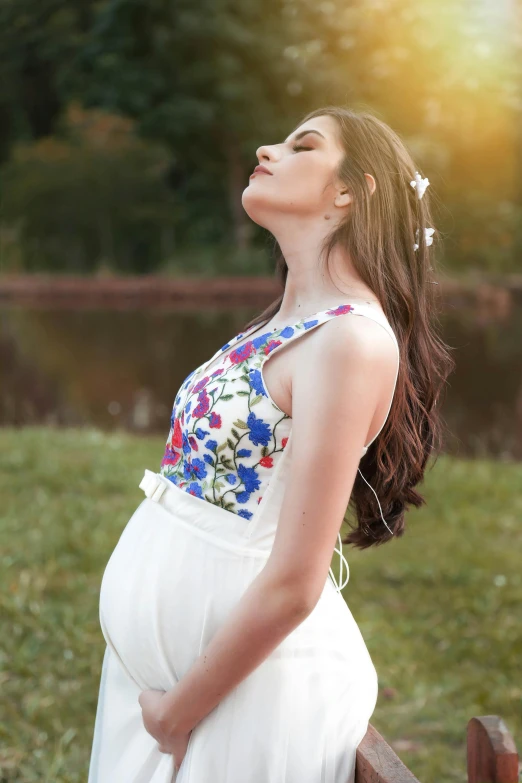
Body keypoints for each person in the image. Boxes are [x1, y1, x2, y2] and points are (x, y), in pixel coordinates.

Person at [87, 106, 454, 782]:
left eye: (302, 145)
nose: (267, 147)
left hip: (234, 698)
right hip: (169, 686)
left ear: (349, 191)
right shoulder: (283, 322)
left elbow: (295, 580)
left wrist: (177, 712)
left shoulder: (349, 339)